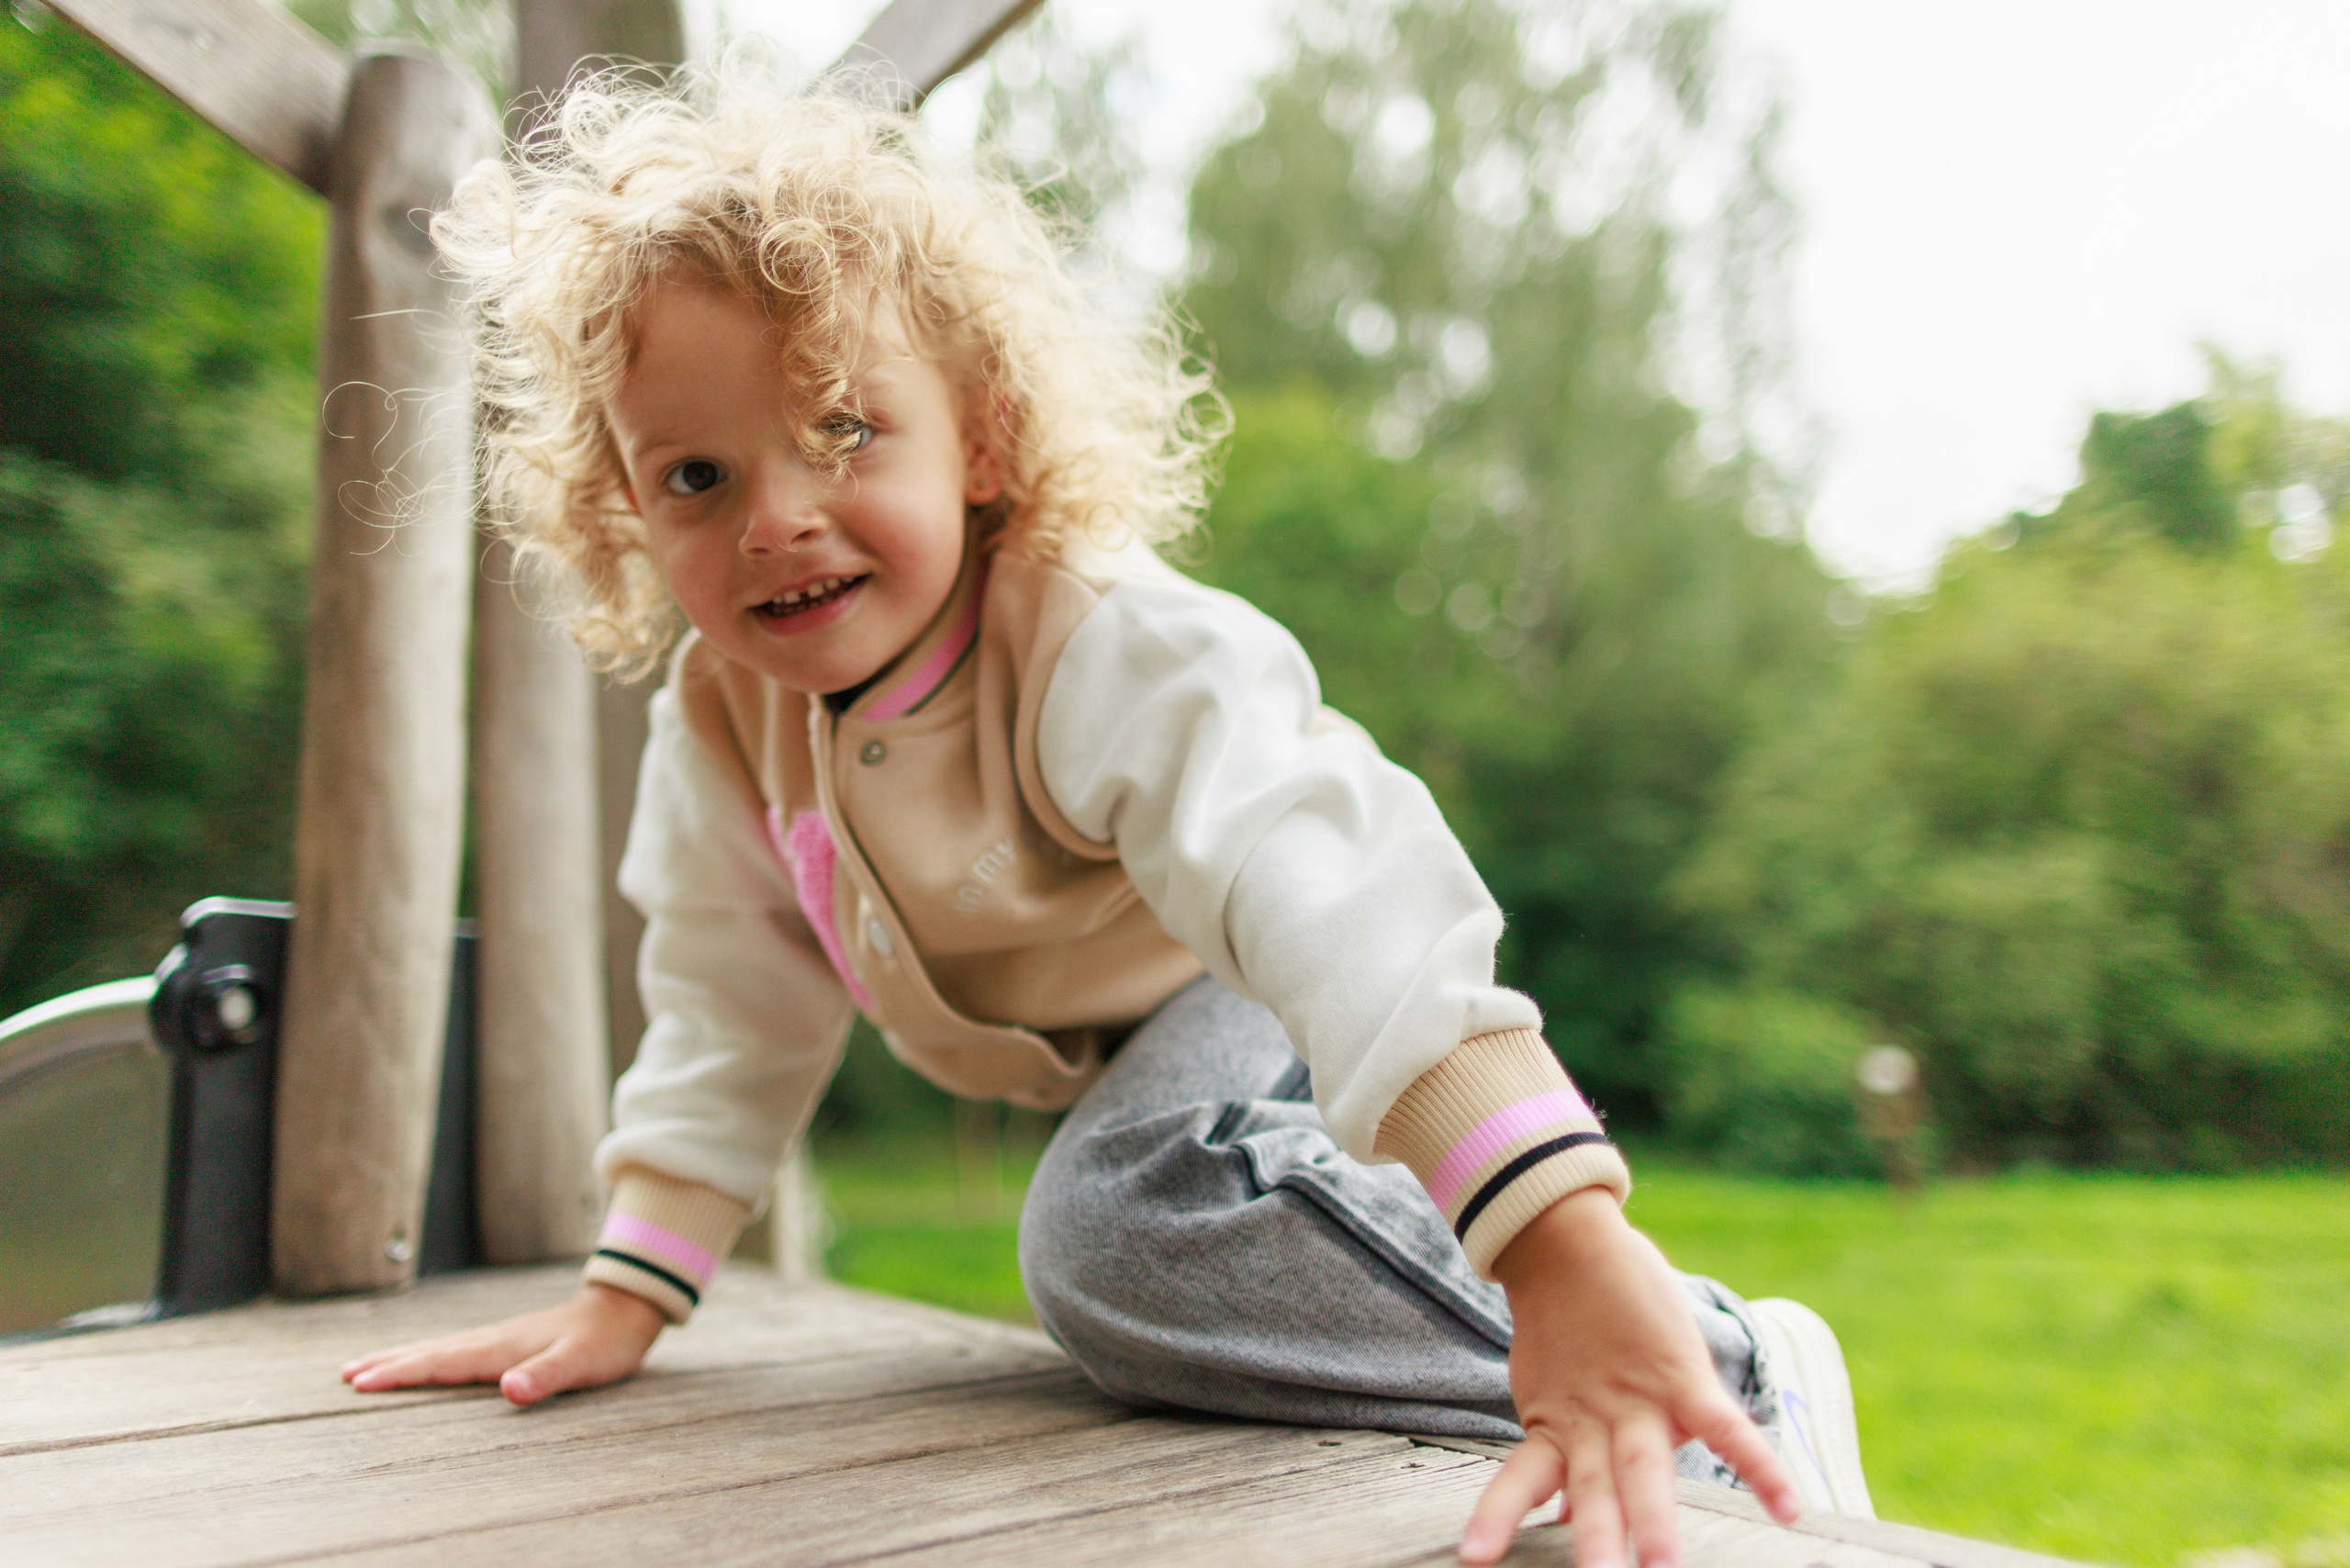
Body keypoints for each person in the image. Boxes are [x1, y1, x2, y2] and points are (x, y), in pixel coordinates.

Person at [340, 69, 1873, 1567]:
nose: (776, 517)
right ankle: (1640, 1366)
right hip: (1138, 1060)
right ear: (622, 511)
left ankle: (1717, 1370)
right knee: (1137, 1277)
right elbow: (731, 1006)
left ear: (985, 436)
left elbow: (1336, 893)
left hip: (1255, 978)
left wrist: (1556, 1241)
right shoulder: (728, 723)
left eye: (844, 430)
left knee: (1115, 1229)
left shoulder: (1101, 641)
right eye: (694, 473)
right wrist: (632, 1286)